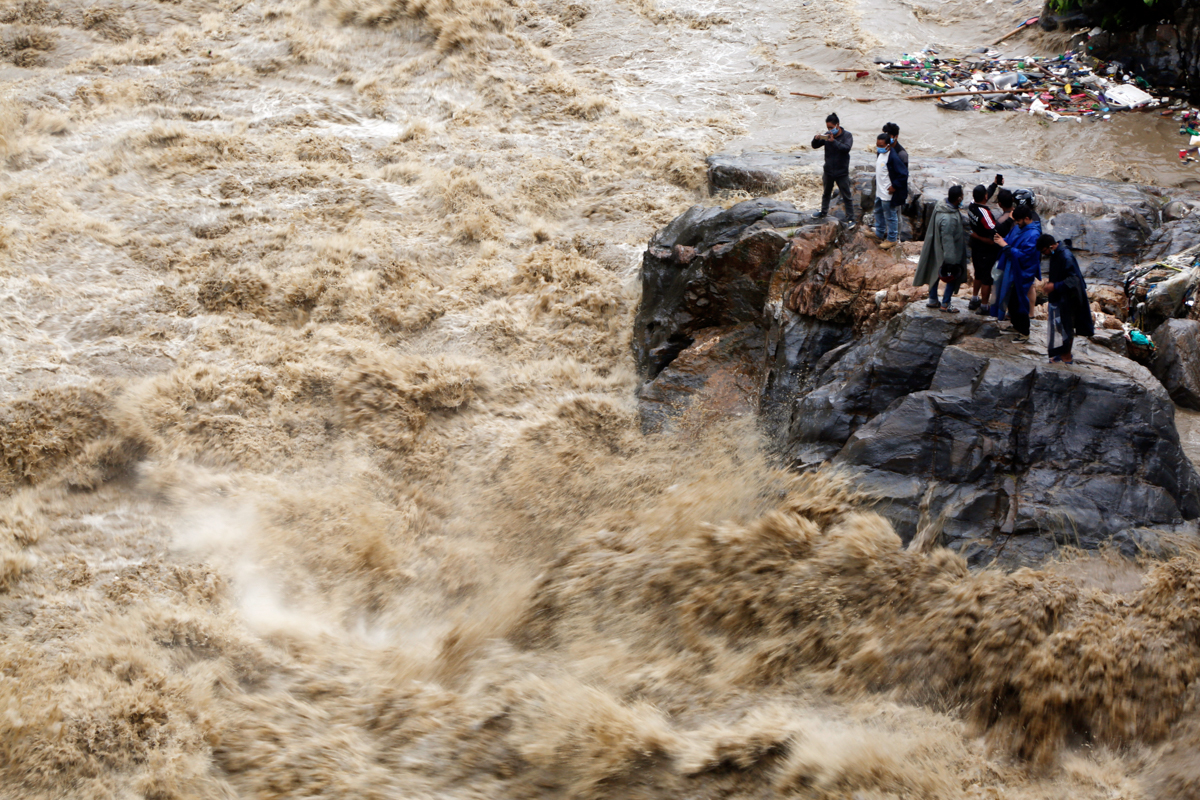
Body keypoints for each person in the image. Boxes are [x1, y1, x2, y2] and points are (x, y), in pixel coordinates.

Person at [1038, 235, 1094, 363]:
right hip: (1061, 295)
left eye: (1044, 251)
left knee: (1067, 326)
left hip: (1070, 297)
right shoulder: (1056, 254)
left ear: (1050, 246)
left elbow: (1073, 279)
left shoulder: (1065, 256)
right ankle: (1061, 352)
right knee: (1060, 325)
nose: (1044, 254)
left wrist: (1055, 286)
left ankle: (1067, 356)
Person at [991, 205, 1042, 342]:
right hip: (1012, 268)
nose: (1017, 223)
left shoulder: (1034, 234)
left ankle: (1024, 331)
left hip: (1022, 272)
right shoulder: (1019, 228)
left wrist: (1005, 245)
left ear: (1027, 218)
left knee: (1019, 301)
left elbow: (1025, 256)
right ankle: (1015, 325)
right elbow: (1008, 240)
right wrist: (1001, 241)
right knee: (1010, 298)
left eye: (1019, 221)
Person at [913, 185, 968, 313]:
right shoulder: (949, 218)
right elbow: (948, 241)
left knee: (934, 270)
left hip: (936, 247)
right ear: (959, 199)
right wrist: (951, 262)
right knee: (951, 276)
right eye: (962, 195)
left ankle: (933, 300)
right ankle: (946, 304)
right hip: (948, 253)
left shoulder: (941, 206)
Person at [812, 113, 854, 226]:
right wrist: (816, 139)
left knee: (846, 196)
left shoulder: (847, 136)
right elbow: (814, 146)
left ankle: (851, 218)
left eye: (831, 127)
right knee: (826, 193)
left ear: (837, 125)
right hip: (829, 171)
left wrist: (833, 141)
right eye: (828, 128)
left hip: (842, 172)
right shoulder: (827, 135)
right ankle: (823, 212)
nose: (830, 130)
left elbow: (846, 148)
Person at [966, 185, 999, 314]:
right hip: (985, 248)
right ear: (985, 196)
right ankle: (984, 306)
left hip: (975, 246)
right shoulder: (984, 214)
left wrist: (994, 184)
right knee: (986, 278)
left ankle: (974, 299)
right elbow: (994, 230)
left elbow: (984, 195)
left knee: (978, 273)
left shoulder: (971, 206)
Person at [872, 132, 908, 249]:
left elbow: (903, 174)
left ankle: (892, 238)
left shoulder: (893, 157)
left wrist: (894, 186)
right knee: (878, 211)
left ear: (888, 145)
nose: (879, 148)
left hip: (888, 193)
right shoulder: (880, 153)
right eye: (877, 145)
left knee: (890, 216)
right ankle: (879, 233)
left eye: (881, 146)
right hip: (879, 191)